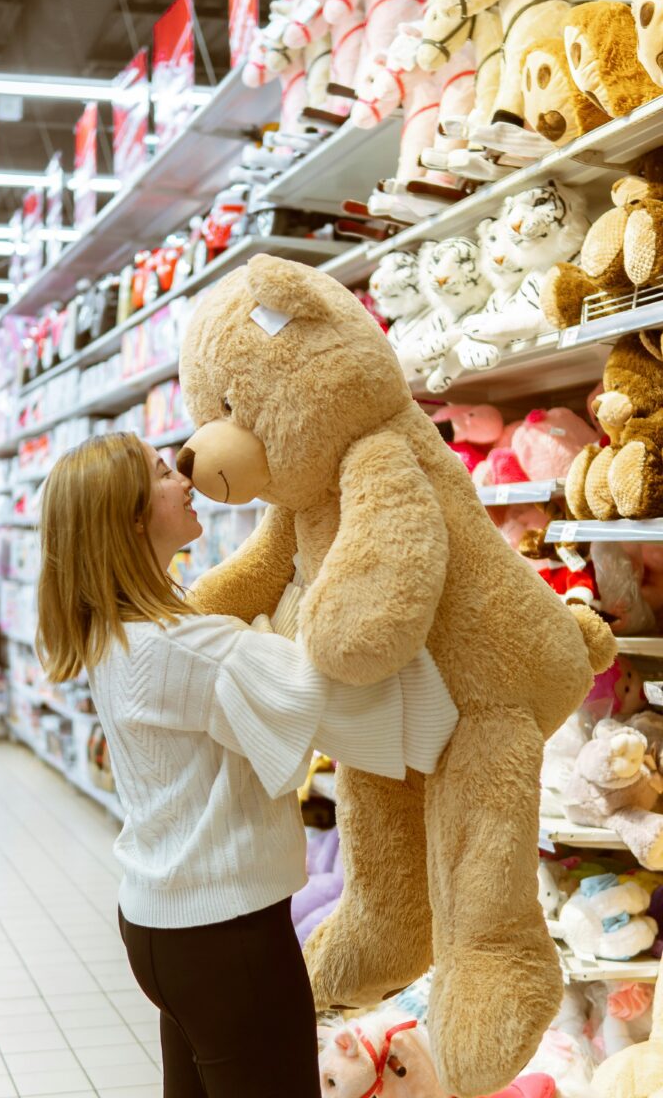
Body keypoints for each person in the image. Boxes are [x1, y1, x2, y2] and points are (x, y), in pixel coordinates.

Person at [36, 431, 458, 1098]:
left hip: (159, 926)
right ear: (133, 517)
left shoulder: (116, 634)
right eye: (160, 472)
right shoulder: (185, 646)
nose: (184, 476)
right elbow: (315, 685)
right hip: (225, 939)